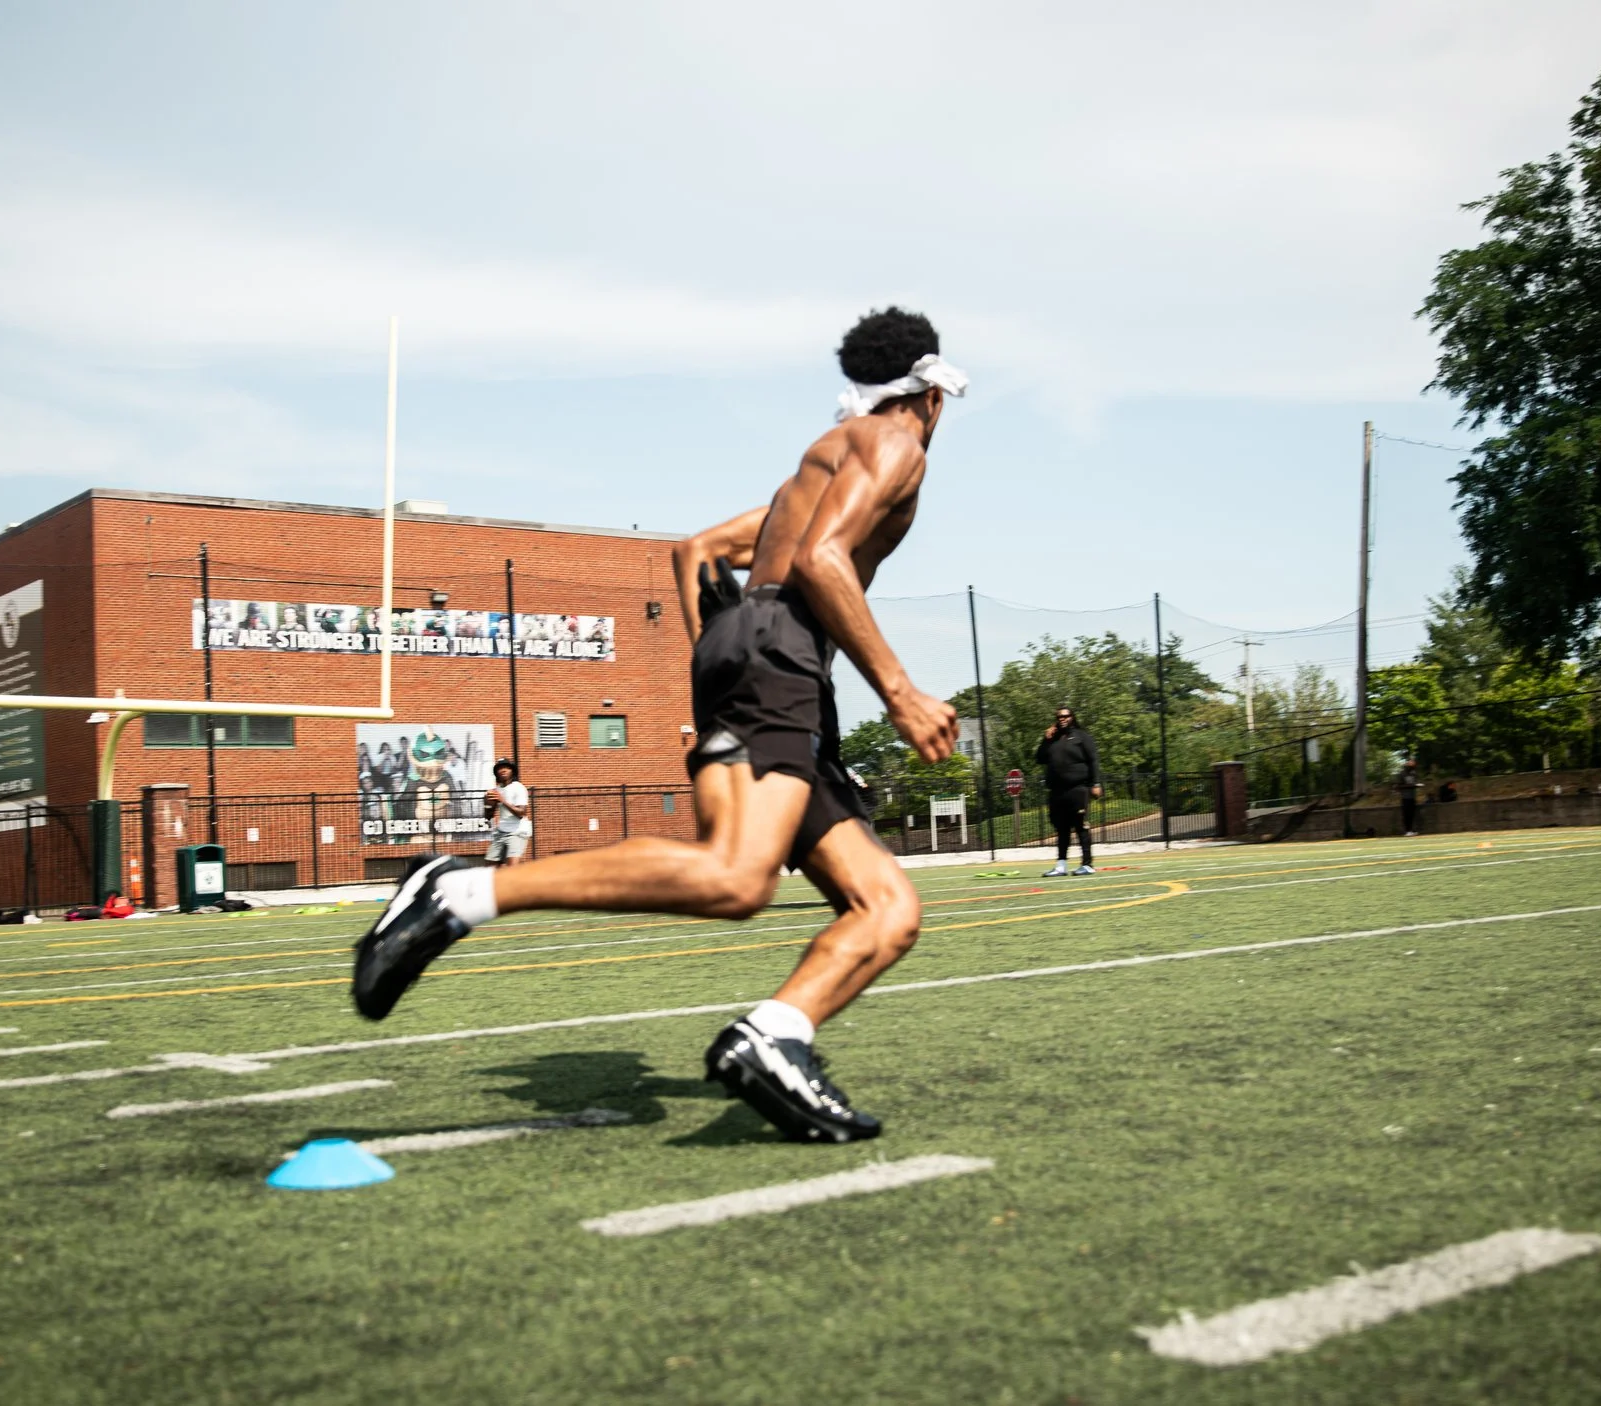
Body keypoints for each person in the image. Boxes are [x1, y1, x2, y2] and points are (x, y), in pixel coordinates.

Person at [351, 307, 967, 1144]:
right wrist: (899, 692)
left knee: (888, 907)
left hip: (769, 667)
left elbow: (697, 551)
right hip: (779, 660)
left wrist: (722, 649)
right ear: (929, 392)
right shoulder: (893, 442)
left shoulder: (818, 469)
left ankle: (776, 1039)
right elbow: (823, 561)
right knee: (735, 879)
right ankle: (459, 890)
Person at [1034, 706, 1102, 876]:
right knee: (1061, 828)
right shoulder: (1053, 739)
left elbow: (1093, 760)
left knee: (1081, 826)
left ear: (1072, 717)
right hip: (1057, 791)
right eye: (1059, 716)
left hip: (1078, 789)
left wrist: (1096, 783)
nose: (1062, 719)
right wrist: (1046, 739)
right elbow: (1039, 758)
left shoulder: (1082, 737)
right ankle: (1061, 865)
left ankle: (1087, 864)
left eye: (1066, 716)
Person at [483, 758, 531, 865]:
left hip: (517, 831)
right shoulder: (496, 790)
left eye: (506, 768)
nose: (503, 770)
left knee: (512, 867)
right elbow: (488, 817)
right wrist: (488, 805)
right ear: (496, 773)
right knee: (490, 865)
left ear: (512, 771)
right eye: (500, 768)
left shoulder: (518, 788)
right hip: (501, 831)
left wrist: (502, 800)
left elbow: (521, 813)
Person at [1396, 761, 1422, 836]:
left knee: (1412, 814)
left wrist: (1416, 785)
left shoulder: (1413, 774)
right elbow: (1398, 786)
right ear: (1406, 766)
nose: (1412, 767)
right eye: (1410, 766)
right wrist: (1411, 785)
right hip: (1405, 797)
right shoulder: (1402, 774)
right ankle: (1407, 830)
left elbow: (1416, 782)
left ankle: (1411, 829)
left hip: (1412, 796)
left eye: (1413, 766)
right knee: (1406, 814)